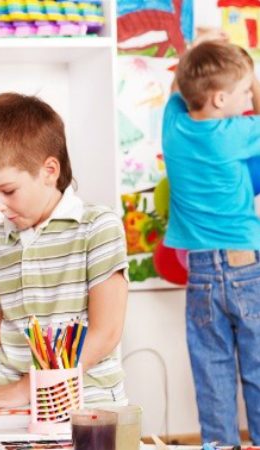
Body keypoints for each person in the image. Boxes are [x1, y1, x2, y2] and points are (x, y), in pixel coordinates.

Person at [0, 92, 129, 409]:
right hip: (11, 404)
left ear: (49, 171)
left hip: (86, 404)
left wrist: (28, 388)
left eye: (7, 190)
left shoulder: (98, 227)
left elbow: (106, 332)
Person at [162, 34, 260, 445]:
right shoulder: (235, 132)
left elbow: (177, 90)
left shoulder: (173, 128)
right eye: (244, 91)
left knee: (211, 371)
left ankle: (219, 444)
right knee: (257, 368)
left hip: (199, 270)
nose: (248, 98)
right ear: (220, 99)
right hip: (246, 265)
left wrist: (196, 54)